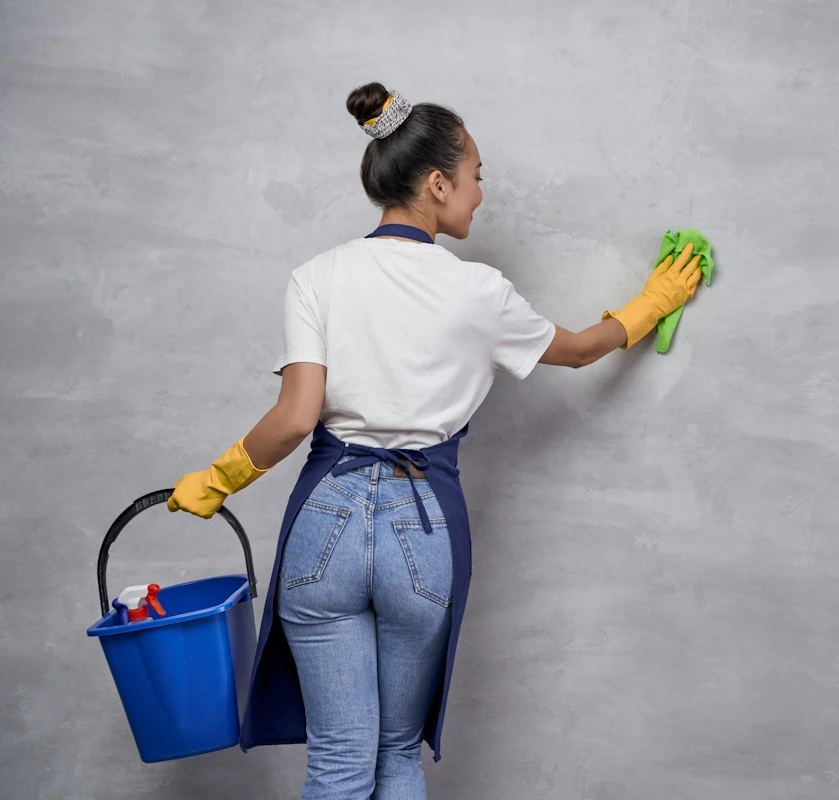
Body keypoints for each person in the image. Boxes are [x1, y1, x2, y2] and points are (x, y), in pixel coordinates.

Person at [165, 81, 702, 800]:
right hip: (420, 532)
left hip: (324, 521)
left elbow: (297, 418)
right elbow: (577, 352)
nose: (480, 194)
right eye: (477, 176)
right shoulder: (479, 291)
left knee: (337, 762)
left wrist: (218, 478)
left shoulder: (316, 278)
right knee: (395, 757)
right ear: (439, 181)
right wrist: (654, 301)